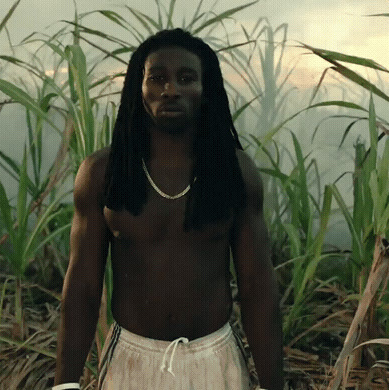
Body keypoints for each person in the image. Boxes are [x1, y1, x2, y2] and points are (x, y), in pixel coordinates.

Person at [53, 28, 284, 390]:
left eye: (186, 78)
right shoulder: (103, 173)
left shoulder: (234, 172)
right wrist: (64, 384)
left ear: (206, 90)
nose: (171, 89)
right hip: (131, 360)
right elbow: (82, 285)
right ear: (138, 89)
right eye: (157, 78)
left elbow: (257, 287)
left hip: (215, 360)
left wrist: (274, 385)